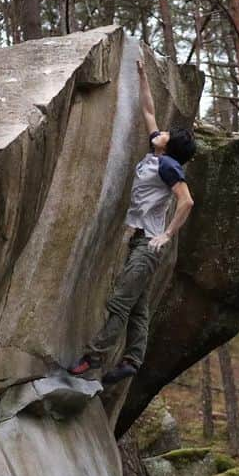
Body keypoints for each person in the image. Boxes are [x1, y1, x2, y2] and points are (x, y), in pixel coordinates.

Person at [68, 59, 197, 384]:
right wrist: (142, 76)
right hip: (139, 240)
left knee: (120, 302)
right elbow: (149, 111)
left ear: (168, 145)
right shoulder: (157, 155)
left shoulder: (168, 167)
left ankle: (92, 357)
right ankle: (132, 360)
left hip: (149, 245)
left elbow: (187, 201)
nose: (160, 131)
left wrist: (168, 234)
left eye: (166, 134)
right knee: (138, 306)